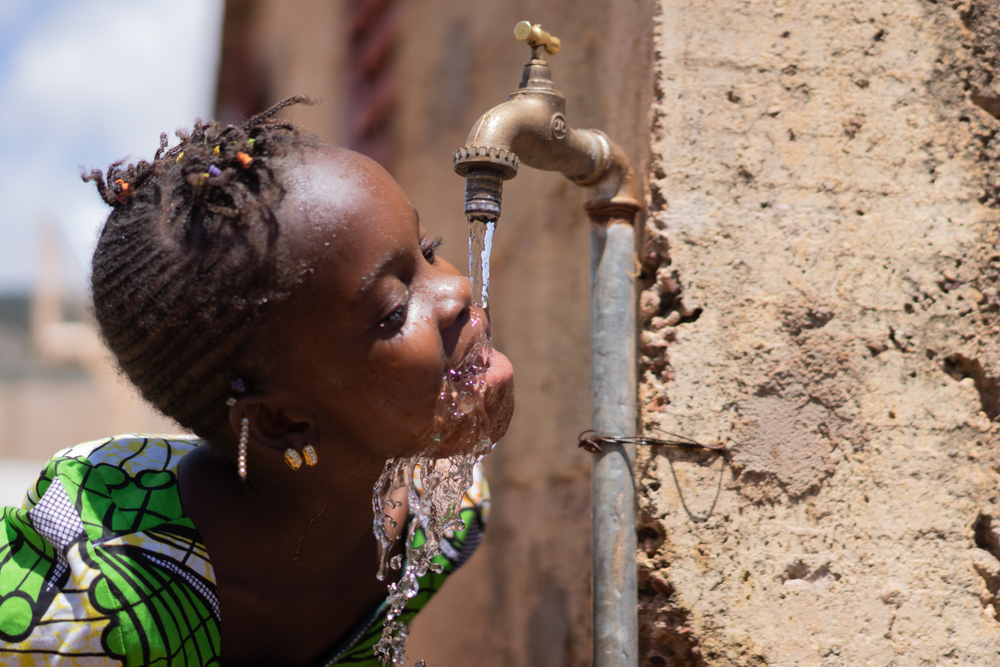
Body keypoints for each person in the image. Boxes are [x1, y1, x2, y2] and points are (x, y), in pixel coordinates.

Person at [0, 97, 515, 666]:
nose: (458, 291)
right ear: (281, 421)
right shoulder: (79, 614)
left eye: (428, 252)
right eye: (393, 311)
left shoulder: (442, 520)